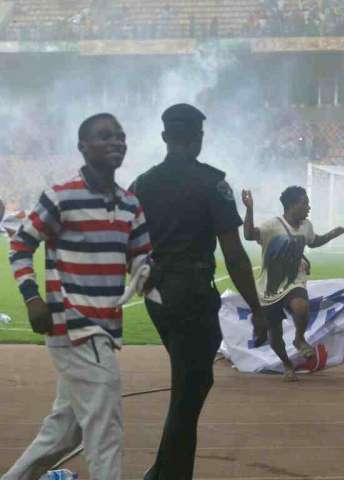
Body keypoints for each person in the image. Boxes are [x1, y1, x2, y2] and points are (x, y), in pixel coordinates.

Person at [4, 113, 151, 479]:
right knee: (105, 432)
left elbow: (142, 265)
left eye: (120, 135)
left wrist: (151, 273)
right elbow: (20, 245)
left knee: (64, 433)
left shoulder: (131, 204)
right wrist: (32, 298)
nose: (116, 141)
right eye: (104, 136)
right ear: (82, 147)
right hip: (73, 327)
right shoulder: (61, 197)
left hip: (105, 329)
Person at [131, 104, 268, 480]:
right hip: (192, 295)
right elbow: (235, 256)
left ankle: (162, 471)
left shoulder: (142, 184)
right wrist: (256, 308)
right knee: (190, 390)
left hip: (159, 297)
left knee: (188, 385)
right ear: (199, 137)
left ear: (164, 137)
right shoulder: (213, 184)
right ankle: (168, 475)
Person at [242, 185, 344, 379]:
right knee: (275, 336)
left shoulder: (306, 225)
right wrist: (249, 209)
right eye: (304, 203)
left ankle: (299, 339)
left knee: (300, 306)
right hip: (270, 286)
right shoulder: (272, 226)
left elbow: (314, 241)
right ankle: (287, 364)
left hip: (294, 281)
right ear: (292, 206)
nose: (308, 207)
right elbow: (249, 235)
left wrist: (335, 233)